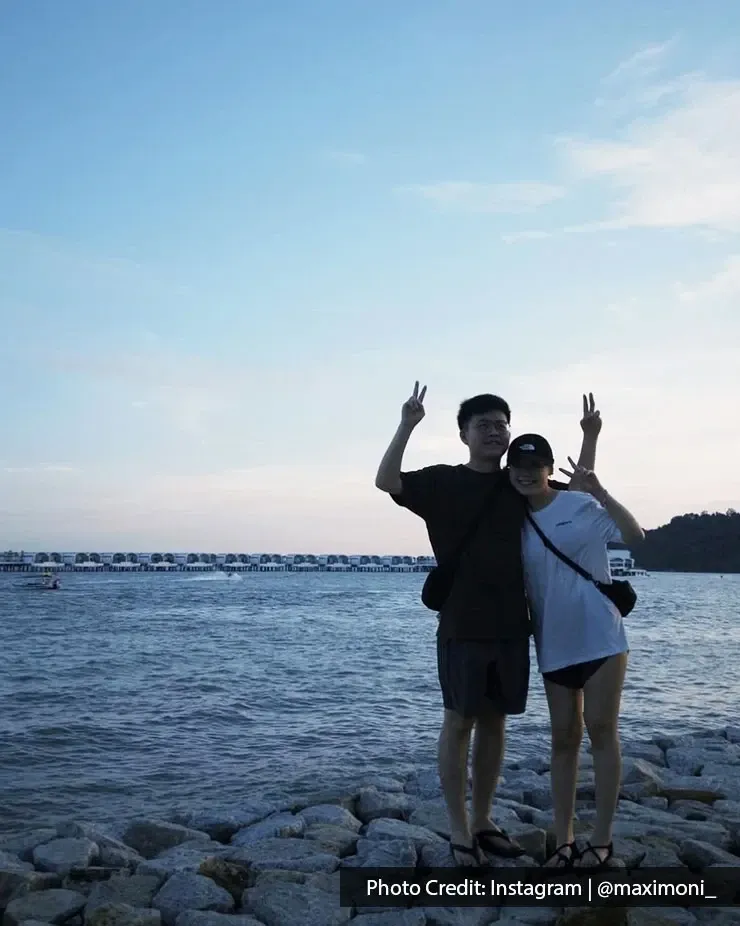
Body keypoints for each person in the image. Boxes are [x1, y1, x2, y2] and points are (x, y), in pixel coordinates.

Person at [375, 384, 602, 867]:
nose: (495, 432)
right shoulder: (441, 482)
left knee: (496, 721)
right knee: (459, 723)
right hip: (461, 621)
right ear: (464, 435)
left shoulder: (518, 483)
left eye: (501, 424)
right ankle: (458, 829)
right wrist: (407, 424)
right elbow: (386, 480)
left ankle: (483, 819)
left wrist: (589, 437)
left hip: (512, 625)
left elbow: (576, 493)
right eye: (484, 425)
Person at [507, 434, 645, 869]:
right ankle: (564, 841)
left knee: (602, 730)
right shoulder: (513, 519)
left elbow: (634, 535)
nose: (526, 473)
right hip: (553, 643)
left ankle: (601, 841)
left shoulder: (580, 506)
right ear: (510, 472)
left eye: (535, 465)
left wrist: (601, 491)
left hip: (601, 637)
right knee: (563, 740)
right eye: (518, 467)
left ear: (550, 469)